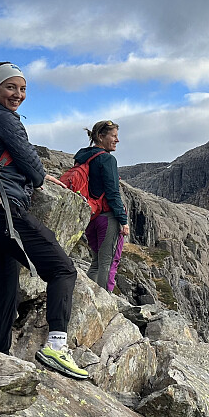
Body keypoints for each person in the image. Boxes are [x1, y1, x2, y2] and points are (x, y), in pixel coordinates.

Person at [0, 61, 88, 380]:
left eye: (22, 89)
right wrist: (36, 173)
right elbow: (33, 172)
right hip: (3, 214)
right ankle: (56, 346)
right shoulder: (4, 119)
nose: (18, 94)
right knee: (62, 269)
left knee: (6, 294)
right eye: (10, 87)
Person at [75, 120, 129, 292]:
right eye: (113, 136)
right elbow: (112, 193)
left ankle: (90, 299)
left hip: (91, 216)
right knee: (108, 262)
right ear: (100, 136)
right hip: (107, 217)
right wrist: (123, 220)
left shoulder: (83, 157)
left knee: (96, 262)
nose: (117, 140)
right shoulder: (107, 159)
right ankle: (106, 302)